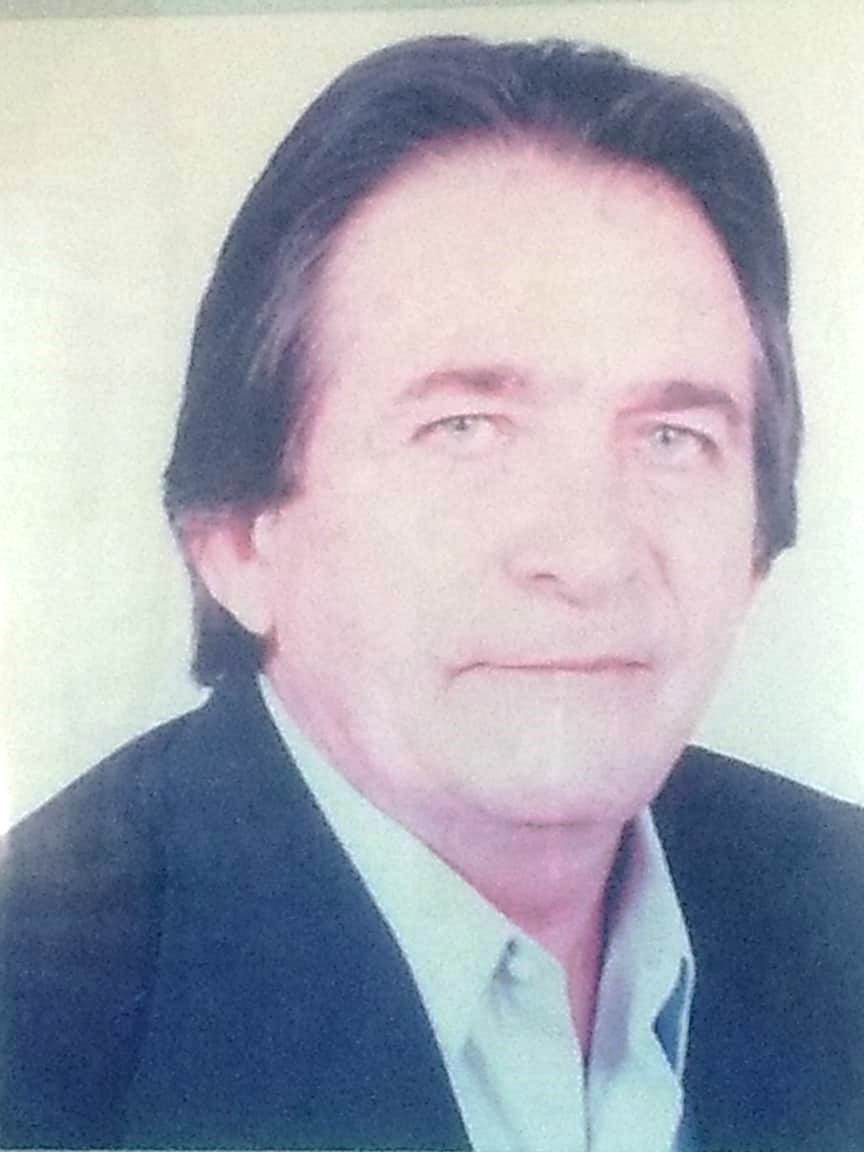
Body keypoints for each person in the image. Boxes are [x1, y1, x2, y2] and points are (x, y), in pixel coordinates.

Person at [1, 34, 862, 1152]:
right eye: (465, 429)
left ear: (757, 548)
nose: (590, 552)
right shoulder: (37, 1029)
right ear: (238, 539)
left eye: (671, 436)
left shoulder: (843, 907)